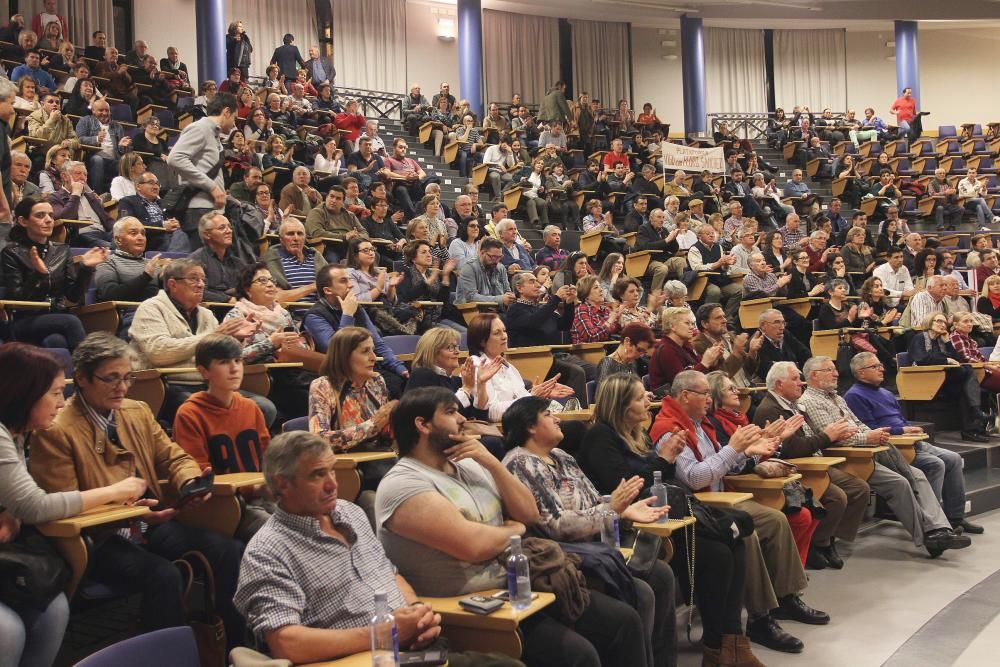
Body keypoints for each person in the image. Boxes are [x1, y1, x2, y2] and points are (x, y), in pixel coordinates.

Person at [378, 386, 649, 667]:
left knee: (624, 622)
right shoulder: (403, 483)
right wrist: (512, 530)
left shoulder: (470, 465)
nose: (461, 419)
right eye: (450, 412)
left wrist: (491, 463)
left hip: (519, 587)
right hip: (469, 608)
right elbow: (475, 545)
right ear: (422, 425)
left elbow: (528, 513)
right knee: (578, 655)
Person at [29, 332, 247, 648]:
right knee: (163, 575)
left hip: (146, 521)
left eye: (128, 377)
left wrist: (189, 481)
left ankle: (231, 650)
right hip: (99, 537)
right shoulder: (56, 429)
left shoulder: (136, 410)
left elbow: (171, 455)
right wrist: (130, 508)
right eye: (111, 378)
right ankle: (166, 657)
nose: (122, 387)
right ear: (82, 379)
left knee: (229, 550)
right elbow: (64, 504)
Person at [234, 430, 523, 667]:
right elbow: (286, 643)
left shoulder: (350, 513)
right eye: (317, 475)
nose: (332, 484)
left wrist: (416, 613)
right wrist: (381, 634)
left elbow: (389, 573)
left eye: (332, 470)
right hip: (356, 660)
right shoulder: (268, 550)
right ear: (282, 484)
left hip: (410, 651)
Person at [576, 374, 767, 664]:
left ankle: (734, 644)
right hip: (634, 526)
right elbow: (626, 487)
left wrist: (662, 462)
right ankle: (716, 648)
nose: (648, 401)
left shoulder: (636, 435)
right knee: (717, 554)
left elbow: (660, 478)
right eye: (640, 398)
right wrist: (662, 459)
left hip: (664, 516)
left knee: (735, 542)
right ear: (622, 405)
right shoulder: (601, 437)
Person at [652, 370, 828, 652]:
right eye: (704, 393)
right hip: (702, 505)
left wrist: (753, 450)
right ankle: (759, 619)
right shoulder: (669, 429)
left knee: (776, 520)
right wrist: (734, 448)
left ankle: (787, 598)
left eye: (710, 394)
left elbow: (727, 466)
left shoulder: (699, 424)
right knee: (748, 533)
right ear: (684, 396)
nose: (709, 399)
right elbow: (695, 478)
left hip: (722, 498)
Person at [0, 343, 148, 667]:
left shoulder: (16, 433)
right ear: (25, 394)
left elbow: (19, 505)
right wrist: (114, 491)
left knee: (54, 611)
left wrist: (10, 514)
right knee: (7, 631)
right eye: (54, 393)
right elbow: (35, 506)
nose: (60, 402)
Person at [501, 396, 677, 667]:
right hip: (561, 558)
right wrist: (612, 510)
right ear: (530, 427)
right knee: (641, 594)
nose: (557, 418)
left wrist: (623, 510)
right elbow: (556, 525)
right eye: (548, 414)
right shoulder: (521, 463)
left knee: (663, 575)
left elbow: (597, 500)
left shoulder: (562, 456)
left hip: (594, 546)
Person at [798, 356, 973, 557]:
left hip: (867, 451)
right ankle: (930, 536)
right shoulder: (810, 401)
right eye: (830, 370)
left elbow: (857, 425)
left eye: (835, 369)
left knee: (916, 474)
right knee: (901, 481)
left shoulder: (837, 398)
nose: (837, 373)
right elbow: (835, 439)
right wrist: (869, 436)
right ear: (814, 375)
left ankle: (939, 530)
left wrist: (869, 435)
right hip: (848, 458)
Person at [845, 351, 983, 535]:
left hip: (910, 441)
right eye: (875, 366)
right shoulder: (854, 396)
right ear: (861, 372)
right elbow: (870, 430)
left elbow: (900, 420)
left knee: (954, 458)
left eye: (880, 365)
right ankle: (930, 522)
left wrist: (910, 428)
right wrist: (902, 431)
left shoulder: (885, 393)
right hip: (891, 447)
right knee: (935, 464)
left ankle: (955, 517)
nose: (882, 369)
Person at [754, 361, 870, 570]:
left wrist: (829, 436)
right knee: (837, 497)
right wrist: (828, 436)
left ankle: (827, 538)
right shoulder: (770, 409)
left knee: (859, 488)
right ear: (780, 384)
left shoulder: (794, 404)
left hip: (816, 460)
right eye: (795, 379)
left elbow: (808, 440)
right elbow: (793, 449)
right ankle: (821, 543)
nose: (801, 383)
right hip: (797, 467)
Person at [173, 334, 273, 541]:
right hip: (224, 504)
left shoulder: (250, 407)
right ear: (204, 371)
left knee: (307, 518)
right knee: (274, 531)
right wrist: (255, 488)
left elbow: (267, 456)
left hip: (259, 495)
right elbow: (200, 475)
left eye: (238, 361)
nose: (235, 368)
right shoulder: (190, 413)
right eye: (224, 362)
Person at [1, 197, 103, 350]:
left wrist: (85, 269)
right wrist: (38, 274)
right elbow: (17, 299)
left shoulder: (62, 250)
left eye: (50, 215)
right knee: (71, 321)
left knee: (56, 342)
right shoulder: (12, 252)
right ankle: (90, 370)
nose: (49, 220)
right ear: (23, 221)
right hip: (24, 320)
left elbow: (73, 296)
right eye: (40, 215)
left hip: (55, 316)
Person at [303, 264, 409, 397]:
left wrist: (399, 367)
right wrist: (347, 314)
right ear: (328, 290)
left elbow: (377, 343)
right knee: (392, 388)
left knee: (407, 381)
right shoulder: (315, 316)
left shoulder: (356, 308)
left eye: (349, 280)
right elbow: (336, 351)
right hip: (340, 376)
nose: (351, 285)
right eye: (343, 281)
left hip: (364, 367)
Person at [504, 271, 592, 400]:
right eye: (531, 282)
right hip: (532, 359)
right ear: (519, 288)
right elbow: (533, 322)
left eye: (537, 282)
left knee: (595, 370)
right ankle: (575, 412)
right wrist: (556, 299)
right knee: (577, 373)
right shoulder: (515, 309)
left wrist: (569, 303)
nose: (537, 285)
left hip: (554, 356)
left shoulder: (541, 308)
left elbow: (564, 325)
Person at [167, 92, 238, 249]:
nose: (234, 123)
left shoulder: (214, 135)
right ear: (226, 112)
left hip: (210, 210)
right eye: (234, 117)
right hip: (199, 210)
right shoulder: (200, 128)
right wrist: (212, 187)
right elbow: (175, 158)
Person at [907, 313, 991, 442]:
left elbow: (957, 360)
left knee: (966, 381)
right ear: (930, 322)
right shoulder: (919, 337)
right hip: (924, 379)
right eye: (939, 321)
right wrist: (946, 359)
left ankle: (973, 425)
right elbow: (921, 359)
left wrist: (947, 343)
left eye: (944, 323)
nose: (942, 325)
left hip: (943, 379)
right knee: (967, 374)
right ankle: (974, 422)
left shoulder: (942, 340)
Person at [95, 217, 167, 313]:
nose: (140, 238)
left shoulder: (152, 264)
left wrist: (165, 280)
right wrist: (145, 277)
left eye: (143, 234)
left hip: (158, 312)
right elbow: (109, 295)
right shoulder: (107, 262)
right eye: (133, 233)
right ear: (118, 240)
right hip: (128, 314)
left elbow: (162, 297)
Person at [648, 307, 725, 394]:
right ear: (672, 326)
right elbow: (682, 385)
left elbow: (701, 373)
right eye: (687, 323)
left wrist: (712, 362)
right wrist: (705, 363)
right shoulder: (665, 350)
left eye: (692, 323)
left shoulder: (686, 345)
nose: (692, 327)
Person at [693, 303, 761, 389]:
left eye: (724, 316)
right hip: (728, 396)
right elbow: (718, 379)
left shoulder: (729, 336)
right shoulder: (699, 344)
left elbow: (748, 371)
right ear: (704, 324)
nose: (725, 320)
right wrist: (736, 353)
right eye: (718, 318)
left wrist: (752, 352)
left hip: (748, 389)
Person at [687, 226, 742, 322]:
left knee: (739, 290)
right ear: (700, 236)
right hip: (703, 280)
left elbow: (722, 268)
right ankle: (707, 318)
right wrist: (718, 263)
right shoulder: (694, 249)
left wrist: (727, 264)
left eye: (712, 232)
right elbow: (697, 268)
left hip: (719, 278)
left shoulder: (718, 246)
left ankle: (727, 317)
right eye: (708, 233)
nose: (711, 235)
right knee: (714, 291)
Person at [456, 237, 515, 307]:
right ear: (482, 253)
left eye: (499, 257)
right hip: (472, 312)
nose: (496, 261)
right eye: (493, 257)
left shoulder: (501, 268)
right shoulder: (469, 268)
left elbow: (507, 291)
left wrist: (511, 297)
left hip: (497, 310)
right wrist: (500, 299)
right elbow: (471, 297)